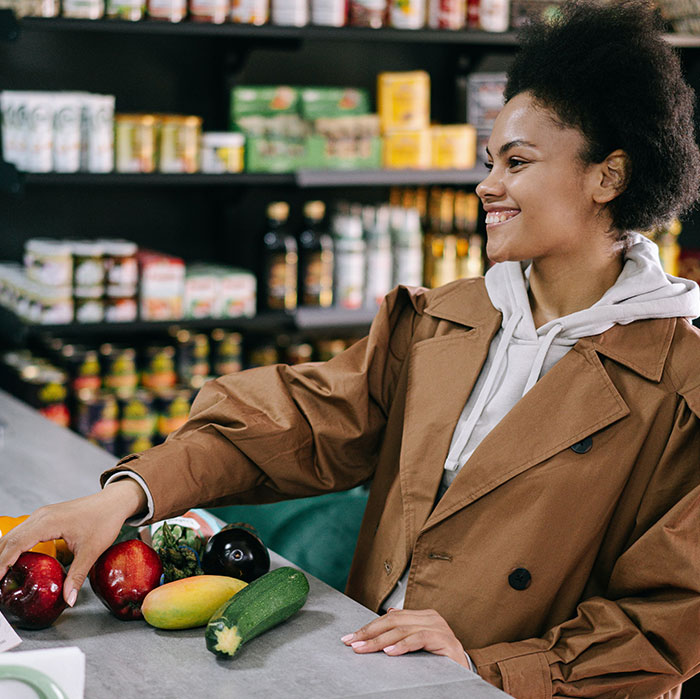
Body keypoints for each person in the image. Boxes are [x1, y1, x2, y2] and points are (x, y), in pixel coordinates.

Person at [2, 0, 700, 695]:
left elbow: (669, 615)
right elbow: (294, 422)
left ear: (608, 176)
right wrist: (127, 495)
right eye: (490, 161)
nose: (487, 184)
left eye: (517, 162)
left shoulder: (679, 384)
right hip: (366, 671)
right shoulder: (447, 318)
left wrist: (485, 667)